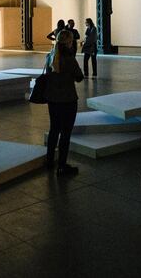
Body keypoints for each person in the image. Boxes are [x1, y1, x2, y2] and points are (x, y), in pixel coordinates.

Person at [45, 29, 83, 175]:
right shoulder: (69, 58)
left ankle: (49, 161)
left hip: (52, 99)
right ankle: (62, 165)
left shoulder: (50, 56)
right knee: (65, 133)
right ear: (68, 42)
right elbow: (79, 77)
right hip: (68, 99)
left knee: (54, 130)